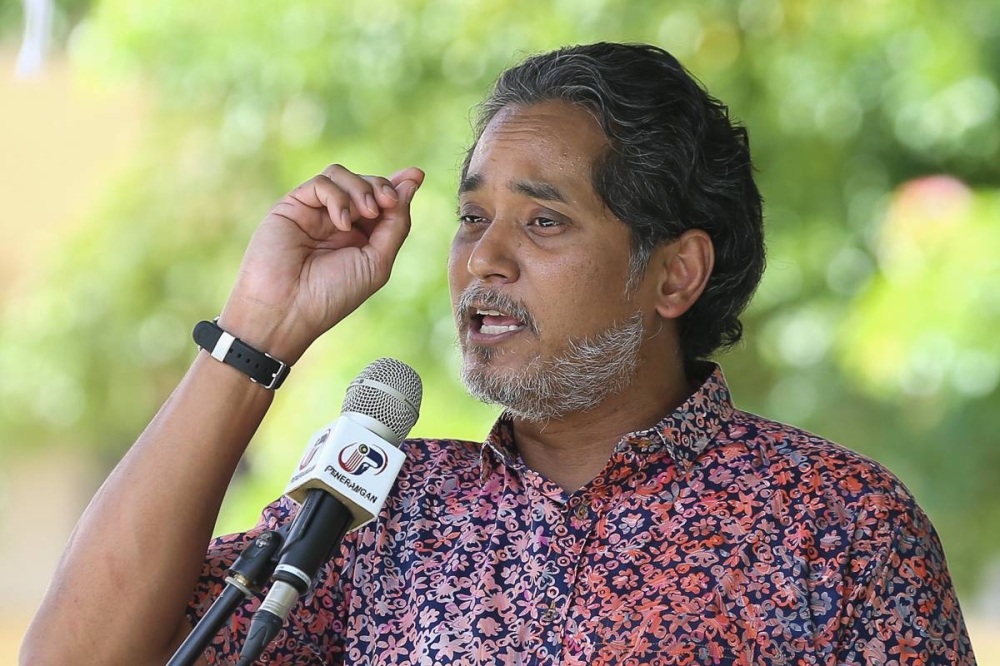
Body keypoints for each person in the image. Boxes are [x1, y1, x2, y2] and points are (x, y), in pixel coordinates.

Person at [21, 42, 975, 666]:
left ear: (674, 275)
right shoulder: (377, 513)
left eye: (543, 221)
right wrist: (256, 331)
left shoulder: (837, 527)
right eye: (471, 217)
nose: (484, 257)